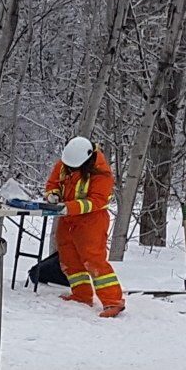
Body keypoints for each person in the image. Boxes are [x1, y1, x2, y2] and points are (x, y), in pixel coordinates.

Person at [46, 136, 125, 318]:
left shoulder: (101, 175)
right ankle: (81, 294)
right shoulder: (66, 163)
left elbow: (96, 201)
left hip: (91, 221)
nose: (70, 170)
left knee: (94, 260)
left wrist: (70, 207)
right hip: (67, 219)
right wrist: (53, 195)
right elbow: (53, 183)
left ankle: (113, 301)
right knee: (69, 258)